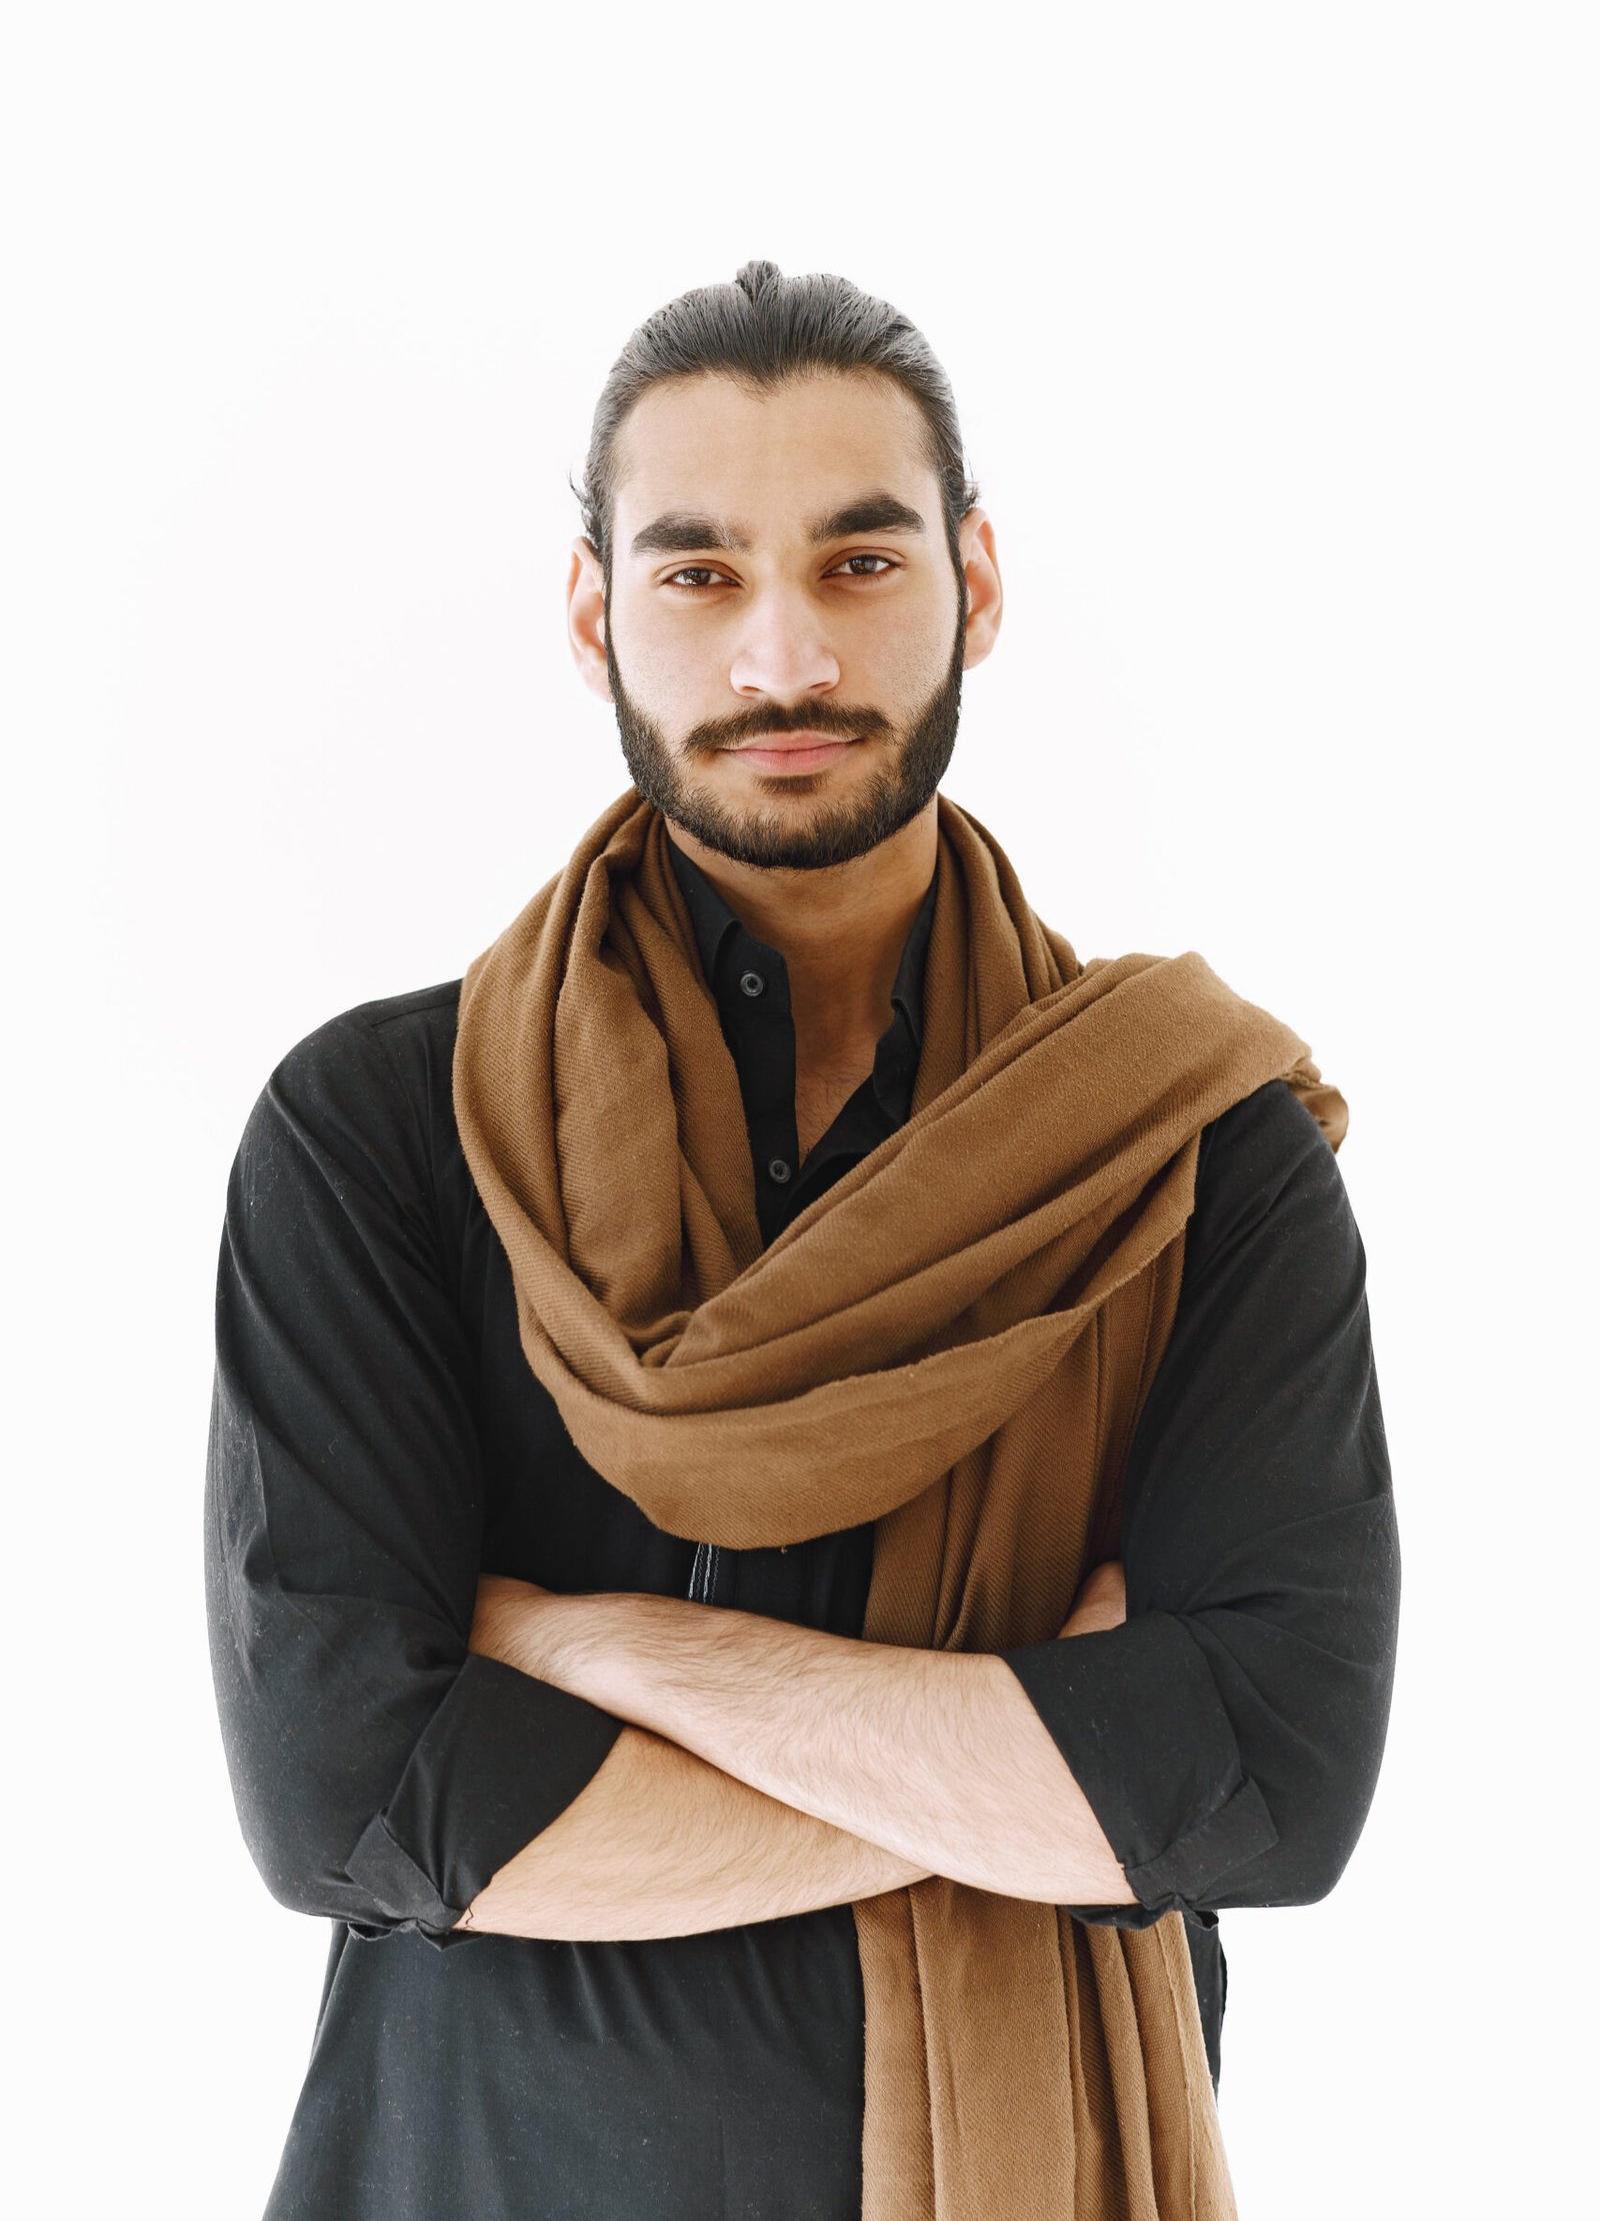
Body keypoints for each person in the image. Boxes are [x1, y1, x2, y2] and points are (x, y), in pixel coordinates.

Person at [205, 259, 1399, 2220]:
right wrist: (1028, 1780)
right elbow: (357, 1800)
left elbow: (1263, 1780)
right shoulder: (384, 1141)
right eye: (695, 574)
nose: (780, 657)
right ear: (596, 613)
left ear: (974, 584)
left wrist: (601, 1648)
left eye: (857, 563)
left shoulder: (1197, 1151)